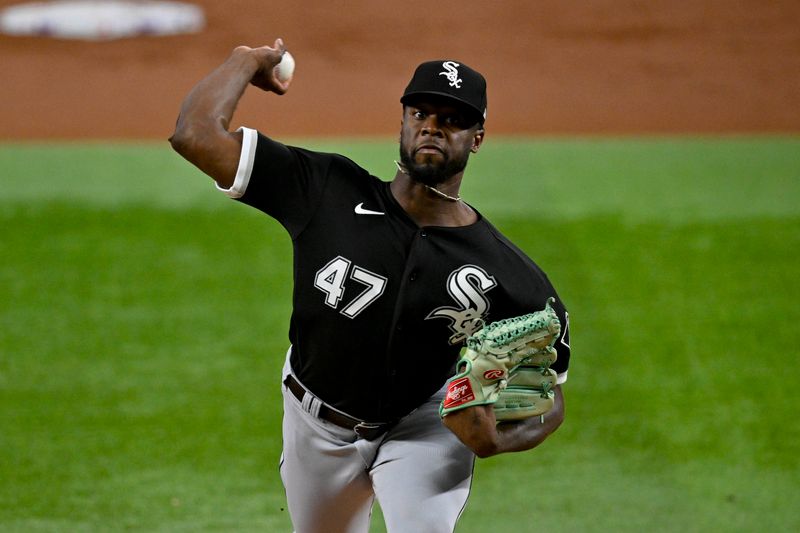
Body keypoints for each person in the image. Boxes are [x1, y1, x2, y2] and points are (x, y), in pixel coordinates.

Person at [170, 38, 571, 533]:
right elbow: (194, 135)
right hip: (315, 423)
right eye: (421, 112)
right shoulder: (326, 190)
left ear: (477, 137)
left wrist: (498, 438)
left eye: (452, 119)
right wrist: (245, 61)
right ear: (402, 119)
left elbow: (549, 393)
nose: (432, 126)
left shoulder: (508, 274)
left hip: (426, 426)